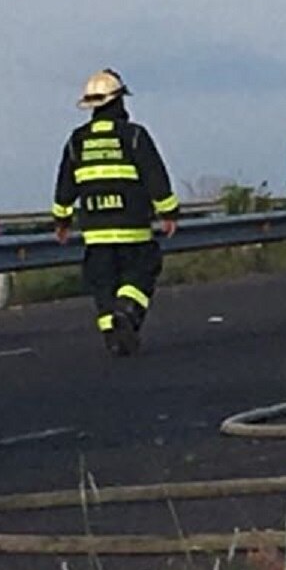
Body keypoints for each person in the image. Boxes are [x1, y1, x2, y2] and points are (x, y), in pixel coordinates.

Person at [51, 69, 180, 356]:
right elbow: (155, 178)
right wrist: (169, 213)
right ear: (119, 100)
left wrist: (62, 220)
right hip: (132, 229)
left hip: (95, 234)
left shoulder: (77, 141)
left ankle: (114, 337)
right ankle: (128, 309)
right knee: (141, 273)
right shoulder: (134, 136)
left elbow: (65, 187)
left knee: (103, 285)